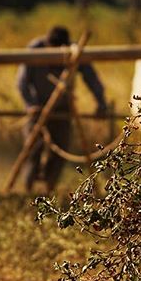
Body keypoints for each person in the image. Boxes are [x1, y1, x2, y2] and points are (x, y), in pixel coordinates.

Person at [15, 25, 108, 193]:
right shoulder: (35, 49)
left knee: (60, 150)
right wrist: (30, 104)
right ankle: (27, 191)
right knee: (32, 150)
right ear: (47, 44)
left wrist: (101, 102)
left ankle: (49, 190)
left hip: (64, 110)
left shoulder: (73, 52)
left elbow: (92, 78)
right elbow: (22, 82)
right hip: (38, 110)